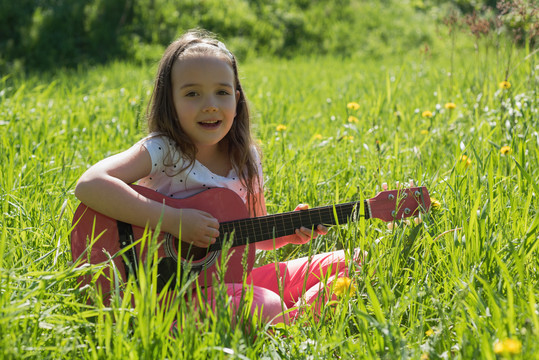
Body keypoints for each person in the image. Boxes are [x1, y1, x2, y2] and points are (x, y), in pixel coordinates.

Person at [75, 29, 362, 325]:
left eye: (221, 92)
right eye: (192, 93)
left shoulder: (246, 159)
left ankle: (289, 317)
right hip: (165, 296)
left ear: (236, 100)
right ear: (169, 102)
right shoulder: (164, 151)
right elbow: (90, 184)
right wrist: (174, 221)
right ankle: (294, 319)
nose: (210, 104)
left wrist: (287, 234)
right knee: (267, 305)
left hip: (226, 284)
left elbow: (249, 233)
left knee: (356, 262)